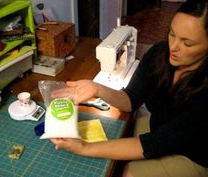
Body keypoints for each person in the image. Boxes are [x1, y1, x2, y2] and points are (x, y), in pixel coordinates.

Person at [50, 0, 208, 176]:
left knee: (128, 173)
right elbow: (130, 100)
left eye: (187, 43)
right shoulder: (159, 54)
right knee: (122, 134)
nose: (173, 46)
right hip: (161, 129)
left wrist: (84, 148)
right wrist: (97, 89)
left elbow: (150, 145)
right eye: (172, 34)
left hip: (193, 153)